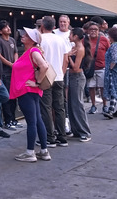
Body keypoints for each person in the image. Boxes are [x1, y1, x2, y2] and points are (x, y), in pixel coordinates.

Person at [10, 27, 52, 163]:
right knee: (37, 119)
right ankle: (44, 151)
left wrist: (37, 82)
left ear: (32, 40)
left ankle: (30, 152)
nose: (22, 35)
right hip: (30, 90)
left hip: (27, 90)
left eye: (26, 35)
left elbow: (44, 66)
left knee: (32, 121)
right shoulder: (32, 51)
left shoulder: (33, 51)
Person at [38, 16, 70, 147]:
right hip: (59, 76)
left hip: (46, 76)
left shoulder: (40, 39)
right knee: (60, 107)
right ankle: (62, 136)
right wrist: (61, 73)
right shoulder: (60, 39)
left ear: (42, 26)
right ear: (54, 26)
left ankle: (50, 137)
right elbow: (66, 59)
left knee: (46, 107)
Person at [64, 28, 91, 141]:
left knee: (78, 104)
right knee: (71, 104)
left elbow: (75, 67)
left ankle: (85, 131)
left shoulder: (80, 49)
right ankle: (76, 130)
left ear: (75, 36)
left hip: (77, 77)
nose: (69, 36)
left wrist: (68, 57)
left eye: (71, 34)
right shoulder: (75, 47)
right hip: (71, 77)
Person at [0, 20, 21, 130]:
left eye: (8, 26)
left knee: (14, 96)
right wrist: (10, 64)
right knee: (7, 97)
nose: (8, 28)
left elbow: (15, 52)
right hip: (4, 73)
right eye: (5, 27)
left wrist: (15, 63)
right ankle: (8, 120)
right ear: (0, 31)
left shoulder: (12, 40)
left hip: (13, 72)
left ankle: (14, 119)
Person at [85, 22, 109, 114]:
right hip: (90, 68)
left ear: (99, 31)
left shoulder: (104, 40)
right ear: (88, 31)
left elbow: (109, 51)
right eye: (91, 29)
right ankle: (93, 105)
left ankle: (105, 105)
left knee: (102, 87)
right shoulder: (85, 40)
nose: (93, 31)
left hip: (101, 67)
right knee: (91, 87)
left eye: (95, 29)